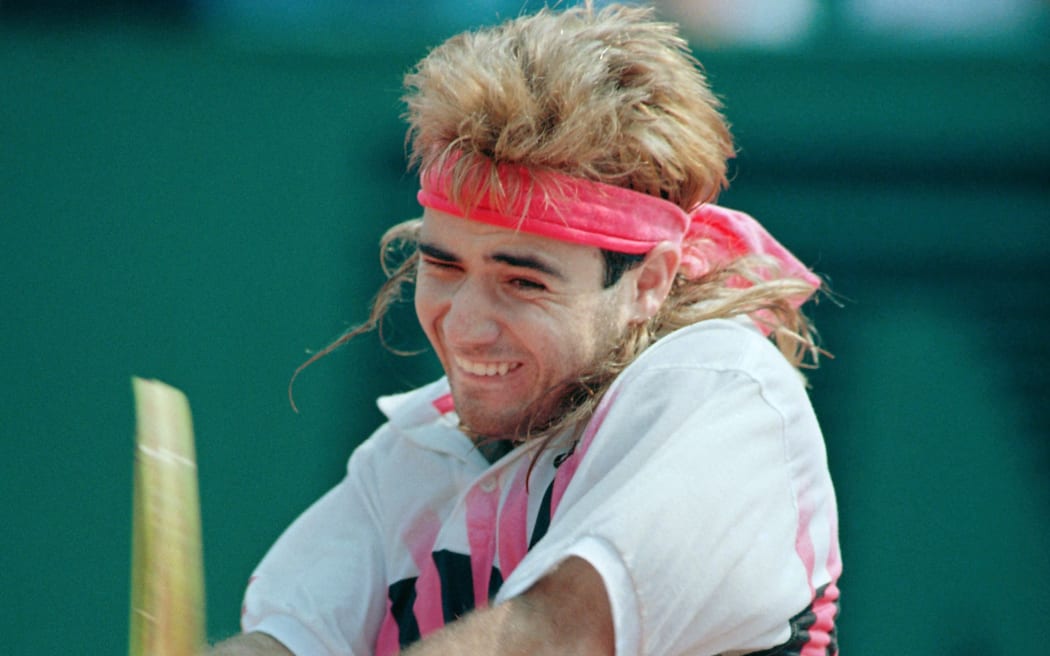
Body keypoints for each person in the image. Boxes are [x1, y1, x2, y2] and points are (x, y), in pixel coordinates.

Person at [208, 3, 841, 655]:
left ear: (648, 283)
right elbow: (280, 644)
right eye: (445, 267)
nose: (468, 327)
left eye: (523, 282)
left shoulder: (721, 388)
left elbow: (553, 637)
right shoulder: (417, 448)